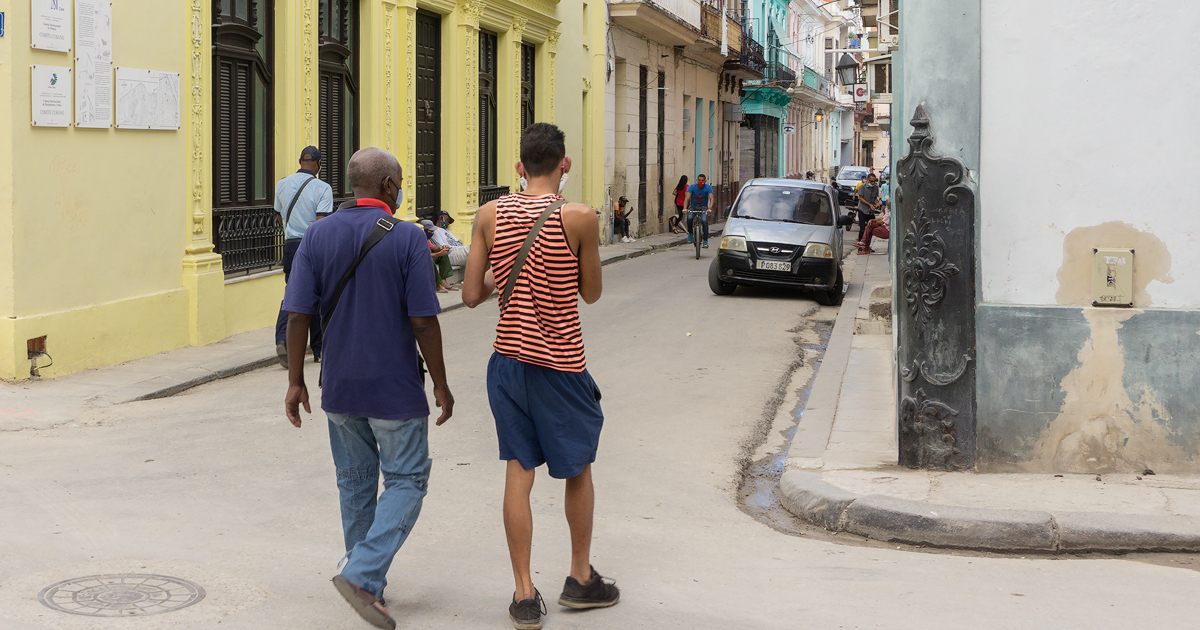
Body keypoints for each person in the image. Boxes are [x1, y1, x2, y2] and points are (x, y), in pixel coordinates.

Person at [282, 147, 453, 630]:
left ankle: (364, 580)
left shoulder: (317, 234)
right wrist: (441, 384)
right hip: (394, 389)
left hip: (337, 385)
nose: (400, 192)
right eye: (399, 184)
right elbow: (423, 321)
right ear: (387, 187)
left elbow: (298, 315)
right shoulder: (407, 239)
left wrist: (295, 381)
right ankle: (360, 574)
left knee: (355, 482)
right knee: (407, 480)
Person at [462, 123, 619, 630]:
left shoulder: (489, 215)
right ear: (564, 164)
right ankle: (578, 578)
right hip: (561, 364)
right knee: (576, 469)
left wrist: (505, 274)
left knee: (517, 470)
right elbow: (591, 293)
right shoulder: (580, 218)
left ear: (519, 167)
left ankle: (524, 594)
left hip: (507, 362)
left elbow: (470, 295)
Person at [274, 146, 334, 368]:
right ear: (319, 164)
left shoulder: (282, 183)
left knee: (292, 293)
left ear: (300, 162)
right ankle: (318, 348)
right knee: (318, 295)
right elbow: (321, 222)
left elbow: (279, 217)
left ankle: (282, 340)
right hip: (313, 245)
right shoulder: (323, 188)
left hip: (290, 246)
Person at [420, 220, 455, 292]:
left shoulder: (427, 239)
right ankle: (437, 284)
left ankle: (443, 281)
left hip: (428, 255)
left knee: (443, 256)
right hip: (421, 259)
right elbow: (425, 256)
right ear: (425, 230)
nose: (432, 233)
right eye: (430, 231)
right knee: (430, 260)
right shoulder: (419, 238)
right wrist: (439, 254)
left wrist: (441, 248)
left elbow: (432, 247)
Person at [685, 174, 715, 248]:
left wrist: (709, 208)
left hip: (703, 207)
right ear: (696, 180)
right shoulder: (692, 187)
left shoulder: (708, 187)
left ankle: (705, 240)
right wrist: (685, 208)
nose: (700, 182)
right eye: (699, 180)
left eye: (702, 180)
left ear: (705, 181)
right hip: (693, 206)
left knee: (704, 221)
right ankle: (690, 233)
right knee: (689, 218)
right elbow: (687, 198)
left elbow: (711, 199)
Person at [855, 173, 882, 243]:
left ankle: (867, 245)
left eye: (874, 181)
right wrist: (869, 204)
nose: (872, 183)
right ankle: (860, 245)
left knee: (871, 228)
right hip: (862, 210)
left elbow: (875, 198)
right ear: (867, 180)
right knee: (862, 228)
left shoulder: (875, 188)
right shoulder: (862, 187)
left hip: (870, 211)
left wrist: (877, 203)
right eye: (871, 181)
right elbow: (860, 198)